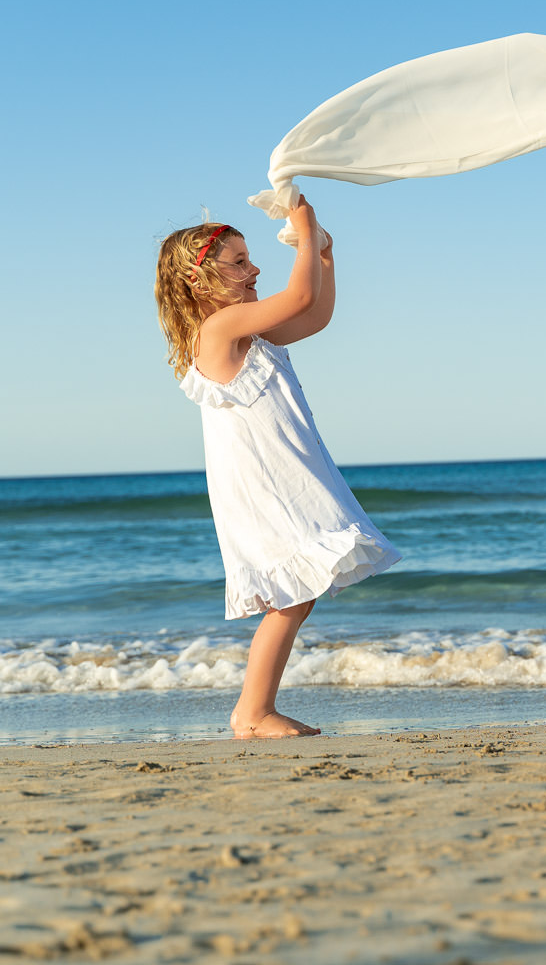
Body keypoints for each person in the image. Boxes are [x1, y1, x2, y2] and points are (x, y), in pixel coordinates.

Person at [154, 201, 398, 737]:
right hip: (263, 484)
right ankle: (252, 712)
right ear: (199, 280)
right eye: (239, 262)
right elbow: (300, 296)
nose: (255, 269)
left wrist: (325, 253)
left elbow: (315, 314)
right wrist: (305, 233)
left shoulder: (249, 333)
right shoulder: (220, 328)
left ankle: (255, 709)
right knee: (292, 597)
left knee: (298, 596)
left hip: (282, 476)